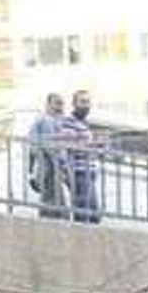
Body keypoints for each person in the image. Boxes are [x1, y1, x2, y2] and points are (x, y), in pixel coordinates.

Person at [26, 94, 70, 218]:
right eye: (57, 103)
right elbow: (38, 143)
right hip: (48, 165)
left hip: (54, 166)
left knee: (55, 199)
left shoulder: (58, 121)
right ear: (48, 104)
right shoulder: (43, 120)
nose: (59, 107)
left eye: (61, 104)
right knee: (51, 199)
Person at [64, 90, 104, 223]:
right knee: (84, 213)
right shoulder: (69, 121)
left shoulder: (84, 123)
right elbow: (70, 144)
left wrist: (97, 146)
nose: (86, 105)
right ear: (74, 104)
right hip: (79, 172)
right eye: (82, 102)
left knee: (94, 215)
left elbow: (87, 146)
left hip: (89, 171)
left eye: (87, 102)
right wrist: (91, 144)